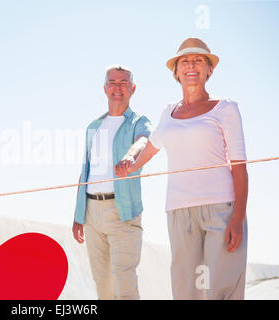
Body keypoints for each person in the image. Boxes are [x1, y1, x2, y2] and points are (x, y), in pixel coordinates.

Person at [115, 38, 248, 300]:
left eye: (199, 60)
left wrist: (238, 217)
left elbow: (240, 167)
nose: (191, 65)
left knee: (221, 287)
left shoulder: (226, 109)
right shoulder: (168, 113)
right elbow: (148, 151)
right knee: (187, 290)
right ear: (176, 72)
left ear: (209, 69)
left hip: (222, 209)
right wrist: (129, 164)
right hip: (178, 212)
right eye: (185, 61)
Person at [72, 65, 152, 300]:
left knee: (124, 283)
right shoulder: (93, 127)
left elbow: (144, 141)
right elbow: (85, 172)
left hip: (122, 212)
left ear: (133, 88)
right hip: (91, 214)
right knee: (103, 286)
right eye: (113, 83)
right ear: (105, 88)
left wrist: (130, 155)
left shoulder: (139, 121)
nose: (118, 87)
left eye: (123, 82)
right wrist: (78, 215)